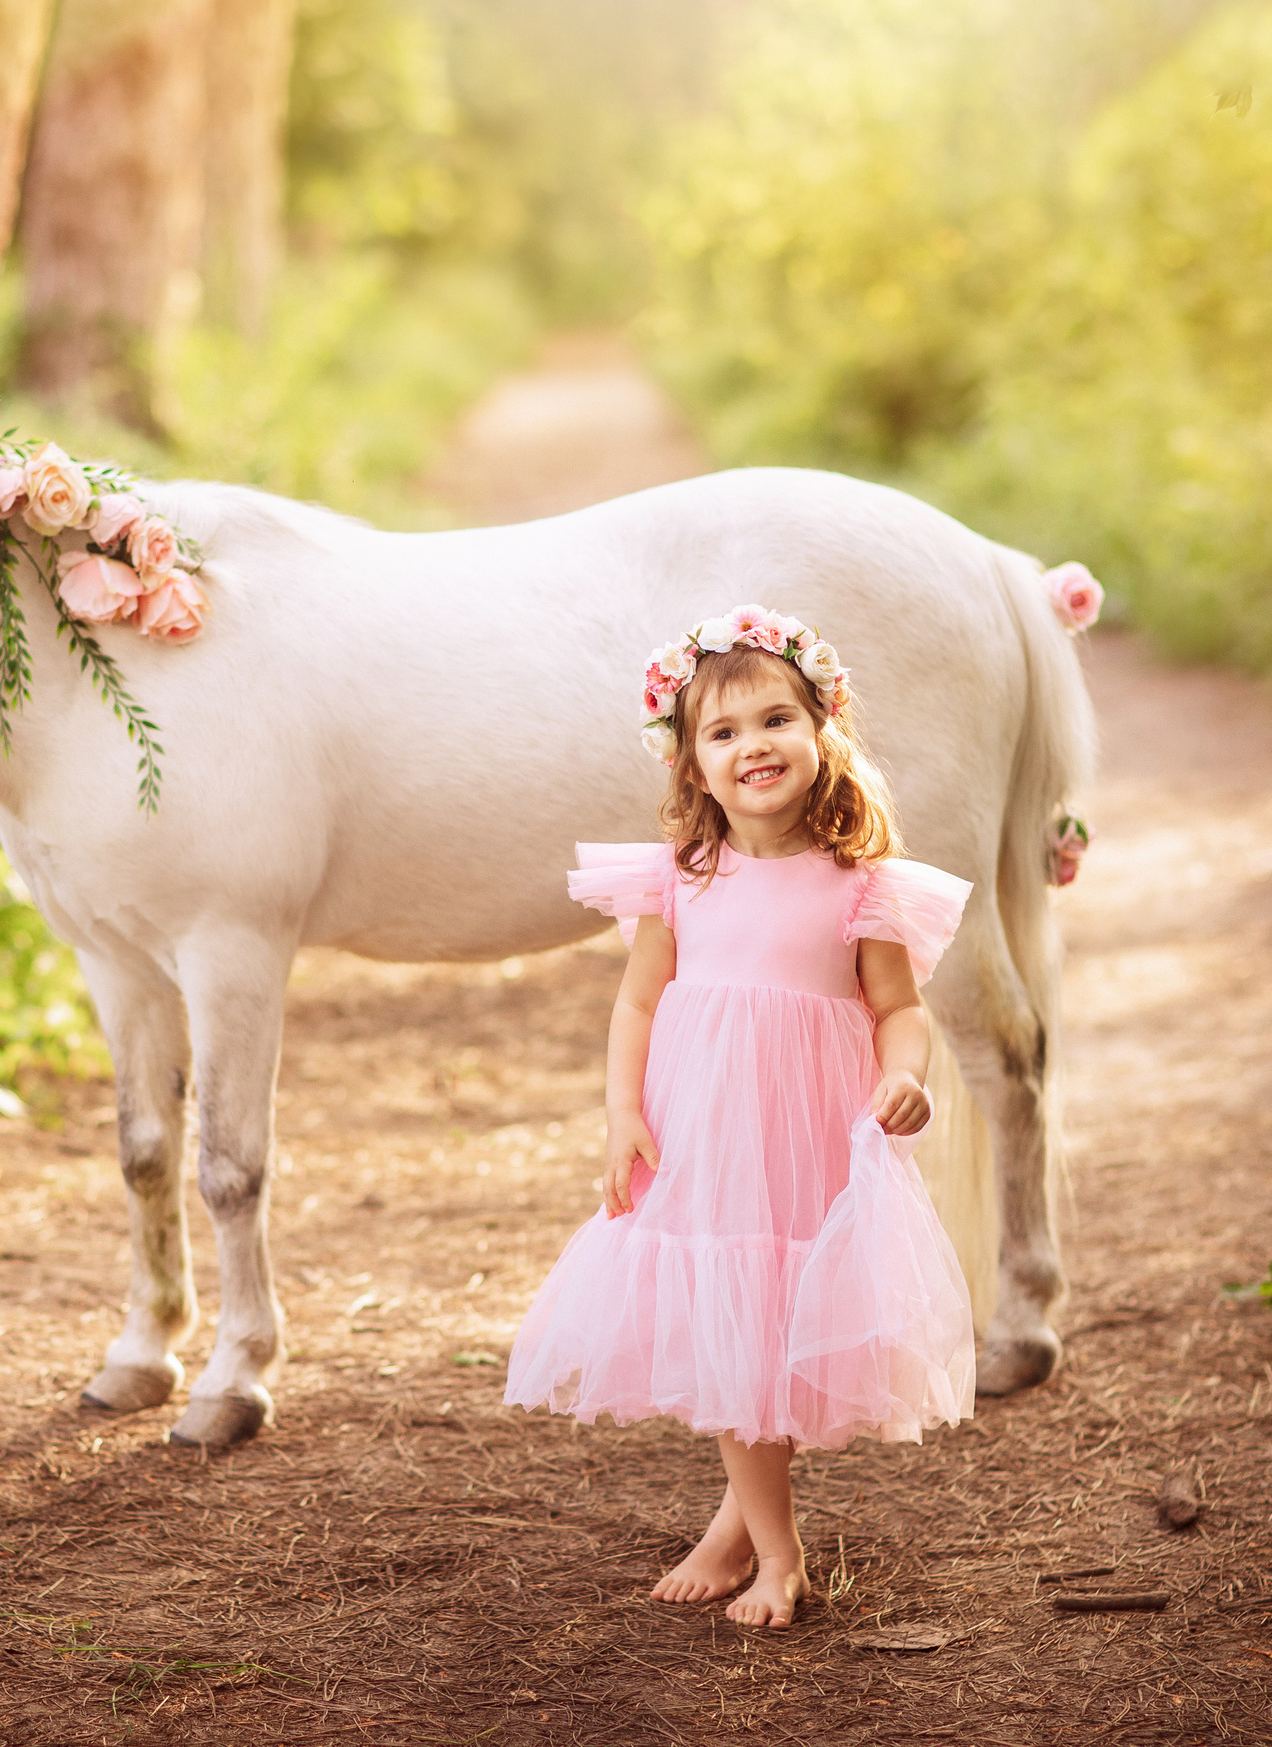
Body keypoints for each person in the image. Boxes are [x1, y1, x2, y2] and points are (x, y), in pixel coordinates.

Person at [502, 605, 976, 1629]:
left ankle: (747, 1533)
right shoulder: (681, 879)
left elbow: (898, 1009)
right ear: (692, 767)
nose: (751, 746)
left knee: (776, 1324)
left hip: (808, 1132)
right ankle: (774, 1547)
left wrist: (906, 1079)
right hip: (706, 1132)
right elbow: (637, 1001)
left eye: (773, 720)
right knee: (738, 1328)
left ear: (823, 732)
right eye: (721, 733)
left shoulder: (862, 886)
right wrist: (622, 1110)